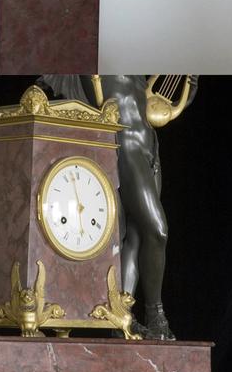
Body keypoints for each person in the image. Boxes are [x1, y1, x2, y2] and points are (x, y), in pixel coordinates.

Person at [38, 74, 196, 340]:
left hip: (149, 144)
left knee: (136, 235)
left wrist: (187, 88)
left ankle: (122, 313)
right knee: (158, 230)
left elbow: (157, 100)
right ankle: (155, 313)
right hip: (126, 146)